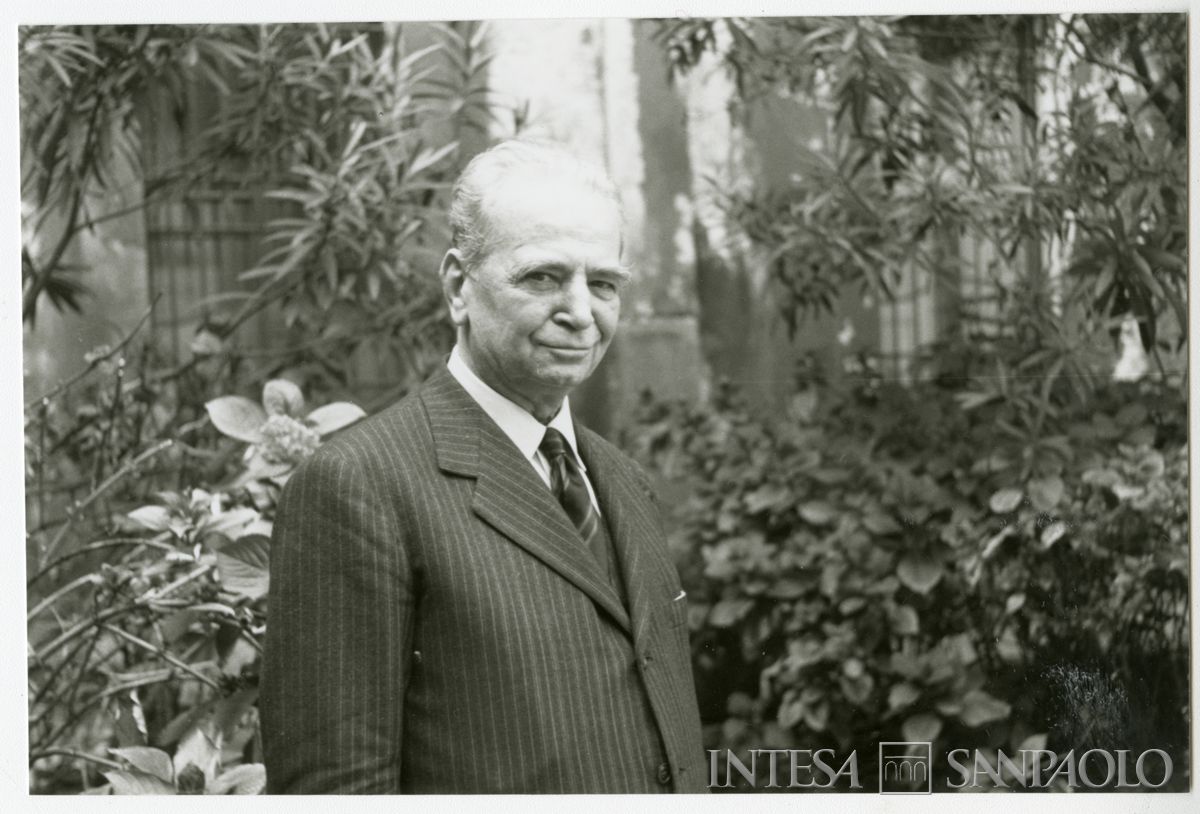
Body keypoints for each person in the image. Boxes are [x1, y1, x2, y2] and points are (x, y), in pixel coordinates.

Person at [260, 140, 706, 793]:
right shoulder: (360, 486)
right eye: (543, 277)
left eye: (603, 283)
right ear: (456, 287)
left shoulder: (622, 481)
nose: (581, 313)